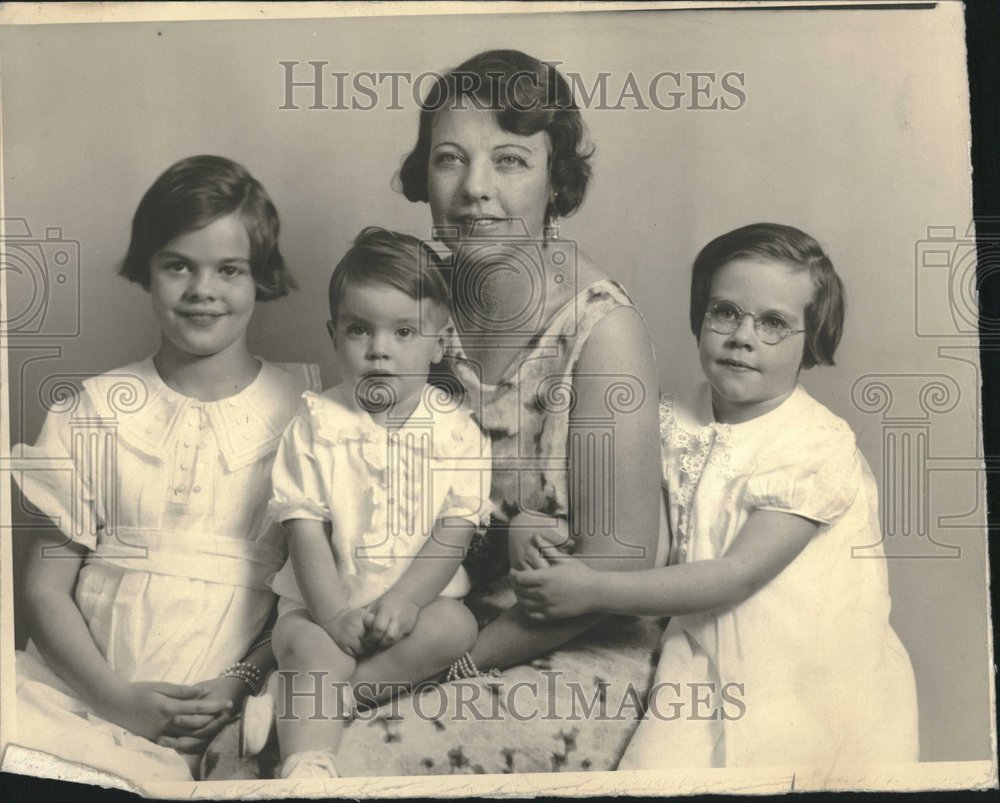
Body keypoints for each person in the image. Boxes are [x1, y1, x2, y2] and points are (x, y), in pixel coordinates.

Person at [512, 223, 920, 770]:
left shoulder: (815, 448)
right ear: (700, 318)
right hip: (701, 659)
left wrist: (593, 590)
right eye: (725, 312)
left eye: (773, 323)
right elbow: (649, 542)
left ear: (813, 339)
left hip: (813, 681)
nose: (742, 336)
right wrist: (543, 528)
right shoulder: (672, 422)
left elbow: (737, 576)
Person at [9, 155, 319, 782]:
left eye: (229, 270)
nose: (202, 288)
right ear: (147, 271)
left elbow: (306, 599)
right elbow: (45, 587)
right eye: (178, 264)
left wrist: (239, 683)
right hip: (81, 698)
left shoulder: (306, 414)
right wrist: (113, 698)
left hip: (224, 705)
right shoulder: (93, 410)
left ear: (259, 278)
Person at [398, 48, 664, 676]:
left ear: (555, 185)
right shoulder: (410, 300)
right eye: (449, 159)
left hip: (559, 641)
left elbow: (615, 563)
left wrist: (439, 672)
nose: (474, 189)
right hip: (420, 622)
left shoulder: (603, 332)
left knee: (362, 762)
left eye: (510, 161)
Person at [254, 227, 491, 778]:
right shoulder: (316, 422)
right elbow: (304, 530)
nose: (379, 348)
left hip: (413, 611)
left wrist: (407, 602)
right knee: (311, 650)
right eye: (360, 329)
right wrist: (333, 614)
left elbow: (453, 533)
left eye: (405, 331)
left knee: (456, 628)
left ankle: (311, 705)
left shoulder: (457, 433)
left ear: (440, 341)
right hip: (321, 608)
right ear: (334, 334)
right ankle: (308, 767)